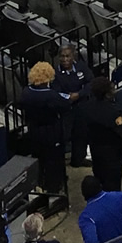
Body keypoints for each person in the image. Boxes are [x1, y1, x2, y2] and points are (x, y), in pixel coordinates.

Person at [22, 61, 72, 205]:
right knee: (53, 163)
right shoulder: (50, 95)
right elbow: (65, 106)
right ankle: (53, 194)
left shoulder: (26, 92)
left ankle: (39, 188)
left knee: (39, 161)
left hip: (34, 132)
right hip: (51, 133)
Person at [83, 78, 122, 193]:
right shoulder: (113, 112)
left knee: (99, 180)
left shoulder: (88, 106)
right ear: (107, 94)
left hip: (96, 150)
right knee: (113, 185)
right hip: (112, 154)